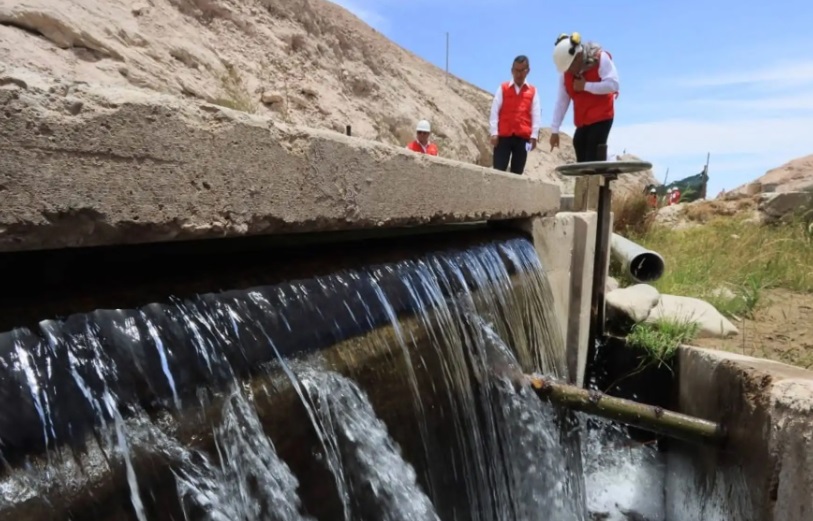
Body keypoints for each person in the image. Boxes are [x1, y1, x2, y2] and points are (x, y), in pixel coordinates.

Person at [548, 33, 619, 162]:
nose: (569, 71)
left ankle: (608, 161)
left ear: (578, 56)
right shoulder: (566, 75)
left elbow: (613, 85)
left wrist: (586, 86)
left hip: (602, 116)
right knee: (578, 142)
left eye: (570, 67)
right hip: (583, 120)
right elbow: (562, 102)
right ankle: (589, 178)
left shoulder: (600, 58)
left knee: (593, 147)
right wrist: (555, 130)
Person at [488, 55, 542, 175]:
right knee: (498, 172)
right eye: (516, 71)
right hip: (503, 137)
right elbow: (494, 110)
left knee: (518, 173)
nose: (519, 74)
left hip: (523, 140)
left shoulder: (533, 91)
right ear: (512, 70)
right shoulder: (503, 88)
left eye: (522, 71)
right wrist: (494, 133)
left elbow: (536, 115)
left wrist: (534, 136)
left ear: (528, 71)